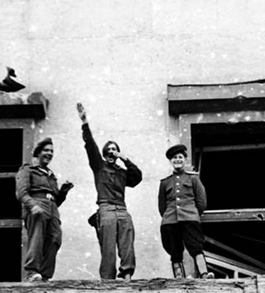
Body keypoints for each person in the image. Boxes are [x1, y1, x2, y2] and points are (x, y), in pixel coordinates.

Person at [77, 103, 142, 281]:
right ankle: (108, 280)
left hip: (122, 209)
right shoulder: (99, 166)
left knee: (127, 243)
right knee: (107, 247)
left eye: (115, 149)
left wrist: (126, 159)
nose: (112, 152)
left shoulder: (122, 172)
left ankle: (127, 274)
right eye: (110, 149)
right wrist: (85, 123)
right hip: (106, 209)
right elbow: (90, 146)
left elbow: (137, 178)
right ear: (105, 153)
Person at [15, 138, 73, 281]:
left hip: (52, 208)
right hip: (37, 203)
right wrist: (32, 205)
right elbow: (21, 192)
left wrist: (63, 191)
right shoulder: (27, 169)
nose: (49, 153)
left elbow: (56, 201)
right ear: (38, 153)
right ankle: (32, 272)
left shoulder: (51, 175)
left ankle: (45, 276)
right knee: (37, 237)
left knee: (55, 238)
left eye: (52, 151)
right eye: (46, 150)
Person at [158, 144, 214, 280]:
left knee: (196, 247)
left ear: (185, 160)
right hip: (170, 220)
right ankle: (179, 278)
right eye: (174, 158)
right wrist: (168, 217)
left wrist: (193, 213)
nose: (177, 160)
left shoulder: (193, 178)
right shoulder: (165, 182)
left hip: (190, 218)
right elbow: (162, 206)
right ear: (171, 161)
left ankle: (204, 274)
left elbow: (202, 202)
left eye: (180, 157)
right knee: (174, 250)